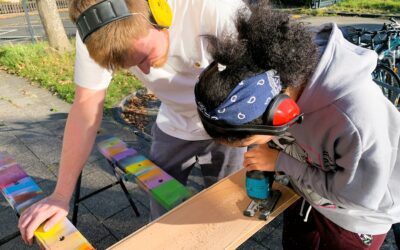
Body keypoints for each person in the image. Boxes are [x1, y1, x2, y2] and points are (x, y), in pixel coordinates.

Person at [17, 0, 248, 245]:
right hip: (173, 123)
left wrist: (264, 141)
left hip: (229, 123)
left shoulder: (215, 7)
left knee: (229, 207)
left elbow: (267, 72)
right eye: (133, 66)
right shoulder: (96, 29)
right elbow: (86, 105)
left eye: (145, 56)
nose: (146, 72)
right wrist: (60, 195)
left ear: (159, 13)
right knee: (163, 217)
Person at [194, 1, 400, 249]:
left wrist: (279, 161)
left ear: (280, 113)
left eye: (248, 142)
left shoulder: (357, 119)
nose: (247, 149)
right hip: (306, 195)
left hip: (355, 219)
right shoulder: (277, 76)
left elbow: (357, 197)